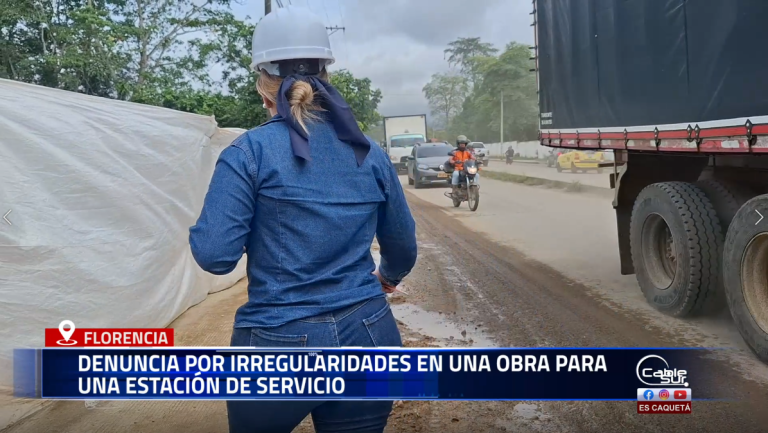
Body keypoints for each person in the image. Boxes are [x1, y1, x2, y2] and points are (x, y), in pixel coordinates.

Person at [188, 6, 418, 433]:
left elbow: (215, 255)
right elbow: (403, 247)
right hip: (370, 336)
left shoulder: (248, 152)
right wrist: (385, 277)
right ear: (326, 76)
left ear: (264, 88)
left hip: (278, 347)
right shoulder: (370, 152)